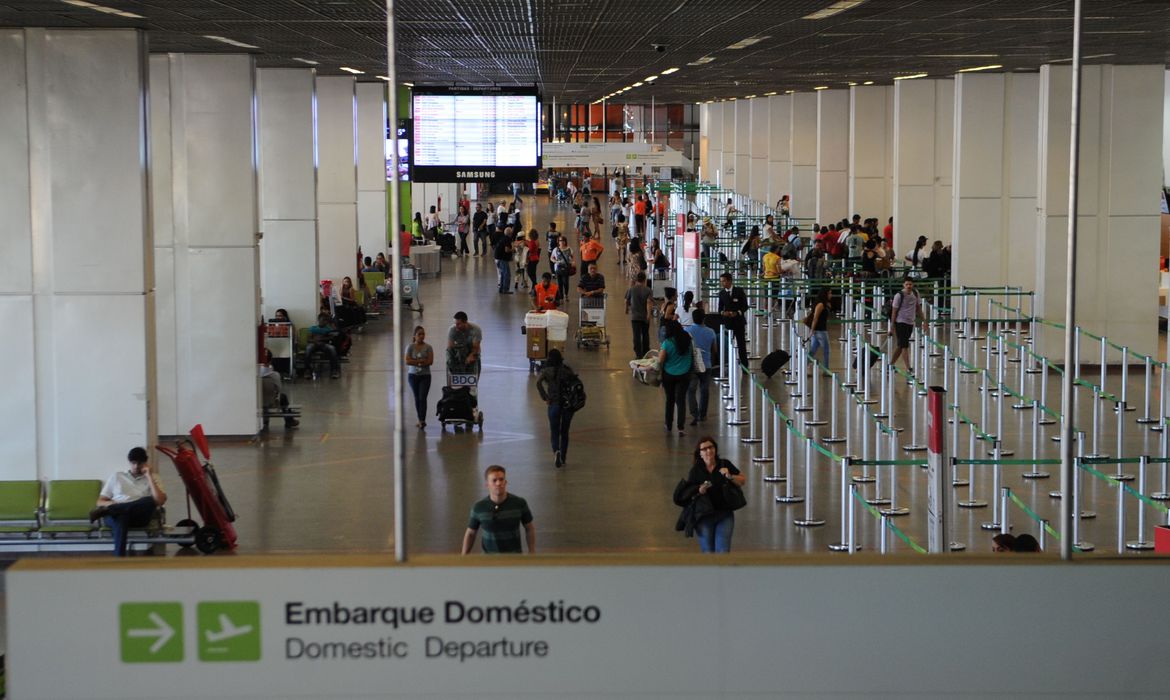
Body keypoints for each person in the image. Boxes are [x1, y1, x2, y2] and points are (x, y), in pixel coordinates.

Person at [90, 447, 168, 557]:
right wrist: (111, 504)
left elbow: (160, 501)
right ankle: (119, 560)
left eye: (140, 463)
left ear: (145, 463)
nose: (136, 466)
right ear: (129, 462)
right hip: (116, 516)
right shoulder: (117, 476)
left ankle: (114, 510)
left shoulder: (153, 477)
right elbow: (99, 502)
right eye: (133, 463)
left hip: (139, 516)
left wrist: (149, 477)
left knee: (149, 500)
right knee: (121, 517)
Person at [674, 436, 745, 553]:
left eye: (711, 447)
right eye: (704, 449)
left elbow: (742, 480)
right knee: (708, 551)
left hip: (724, 514)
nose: (708, 451)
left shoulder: (724, 464)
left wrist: (730, 476)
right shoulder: (696, 471)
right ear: (700, 454)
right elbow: (689, 492)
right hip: (704, 516)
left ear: (715, 449)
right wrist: (699, 490)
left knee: (723, 550)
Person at [461, 465, 535, 555]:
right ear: (487, 484)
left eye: (501, 479)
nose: (498, 483)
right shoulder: (479, 507)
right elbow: (471, 533)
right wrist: (463, 556)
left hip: (514, 559)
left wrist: (532, 551)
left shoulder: (519, 503)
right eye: (494, 480)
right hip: (488, 561)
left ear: (505, 482)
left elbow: (529, 528)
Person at [536, 348, 577, 468]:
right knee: (564, 432)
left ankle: (556, 451)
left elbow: (538, 383)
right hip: (567, 406)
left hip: (553, 404)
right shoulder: (567, 370)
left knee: (554, 432)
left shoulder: (547, 371)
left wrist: (545, 397)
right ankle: (563, 458)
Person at [658, 319, 694, 435]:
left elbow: (661, 360)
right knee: (681, 400)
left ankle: (668, 424)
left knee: (670, 399)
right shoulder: (687, 340)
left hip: (669, 375)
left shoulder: (667, 343)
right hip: (684, 374)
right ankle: (680, 427)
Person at [686, 308, 716, 425]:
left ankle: (694, 413)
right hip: (706, 364)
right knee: (704, 389)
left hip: (692, 364)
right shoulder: (711, 331)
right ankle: (703, 414)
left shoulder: (687, 331)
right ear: (704, 318)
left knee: (691, 390)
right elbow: (714, 350)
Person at [888, 278, 925, 372]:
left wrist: (925, 321)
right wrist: (892, 327)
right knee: (904, 345)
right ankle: (909, 368)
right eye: (907, 284)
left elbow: (918, 308)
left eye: (910, 284)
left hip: (910, 323)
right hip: (900, 323)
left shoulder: (915, 294)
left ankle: (890, 365)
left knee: (900, 345)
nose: (909, 286)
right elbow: (894, 312)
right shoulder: (899, 295)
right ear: (903, 285)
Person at [717, 272, 750, 368]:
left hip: (738, 322)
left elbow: (745, 306)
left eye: (724, 281)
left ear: (730, 281)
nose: (722, 283)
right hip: (727, 323)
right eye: (721, 281)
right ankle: (727, 366)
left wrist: (737, 312)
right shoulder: (722, 293)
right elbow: (720, 308)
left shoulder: (739, 291)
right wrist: (723, 313)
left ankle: (744, 366)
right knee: (727, 344)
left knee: (741, 345)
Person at [260, 350, 298, 430]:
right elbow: (279, 389)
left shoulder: (255, 374)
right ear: (270, 361)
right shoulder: (275, 375)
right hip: (271, 401)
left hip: (257, 400)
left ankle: (265, 421)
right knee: (283, 397)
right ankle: (289, 420)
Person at [405, 326, 434, 429]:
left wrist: (415, 362)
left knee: (423, 398)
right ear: (415, 336)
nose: (422, 336)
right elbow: (407, 361)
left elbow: (430, 361)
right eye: (419, 334)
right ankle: (419, 419)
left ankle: (422, 420)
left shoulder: (428, 347)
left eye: (423, 334)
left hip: (425, 376)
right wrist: (420, 361)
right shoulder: (410, 347)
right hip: (413, 376)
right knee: (417, 398)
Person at [625, 272, 654, 358]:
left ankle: (638, 354)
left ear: (637, 279)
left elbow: (626, 300)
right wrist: (649, 315)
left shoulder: (632, 289)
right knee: (645, 334)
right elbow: (649, 302)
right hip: (645, 316)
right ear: (645, 280)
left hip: (635, 317)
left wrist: (626, 309)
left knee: (636, 335)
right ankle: (645, 352)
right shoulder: (648, 290)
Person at [305, 312, 341, 379]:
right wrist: (316, 341)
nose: (324, 322)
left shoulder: (329, 329)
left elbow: (332, 338)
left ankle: (334, 370)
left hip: (324, 344)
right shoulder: (313, 328)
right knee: (308, 349)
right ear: (318, 320)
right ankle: (308, 370)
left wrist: (321, 339)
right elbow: (308, 339)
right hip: (314, 344)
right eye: (322, 320)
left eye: (326, 320)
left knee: (332, 349)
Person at [806, 288, 832, 371]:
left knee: (813, 350)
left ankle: (804, 365)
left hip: (820, 329)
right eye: (829, 293)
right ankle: (826, 369)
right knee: (826, 350)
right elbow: (815, 318)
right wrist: (812, 330)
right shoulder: (820, 305)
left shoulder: (825, 304)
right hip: (820, 330)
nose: (831, 295)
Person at [550, 235, 574, 302]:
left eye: (563, 241)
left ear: (565, 241)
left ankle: (566, 294)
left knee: (565, 282)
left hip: (566, 268)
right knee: (559, 283)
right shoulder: (556, 249)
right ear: (558, 242)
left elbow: (572, 257)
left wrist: (572, 262)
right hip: (558, 268)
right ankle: (561, 297)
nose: (562, 242)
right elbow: (551, 258)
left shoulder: (569, 249)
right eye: (560, 241)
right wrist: (556, 261)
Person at [493, 227, 514, 294]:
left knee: (502, 274)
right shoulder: (507, 239)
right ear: (510, 233)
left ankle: (501, 289)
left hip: (497, 258)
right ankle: (505, 289)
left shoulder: (503, 238)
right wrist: (513, 250)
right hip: (502, 259)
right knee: (507, 274)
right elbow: (507, 250)